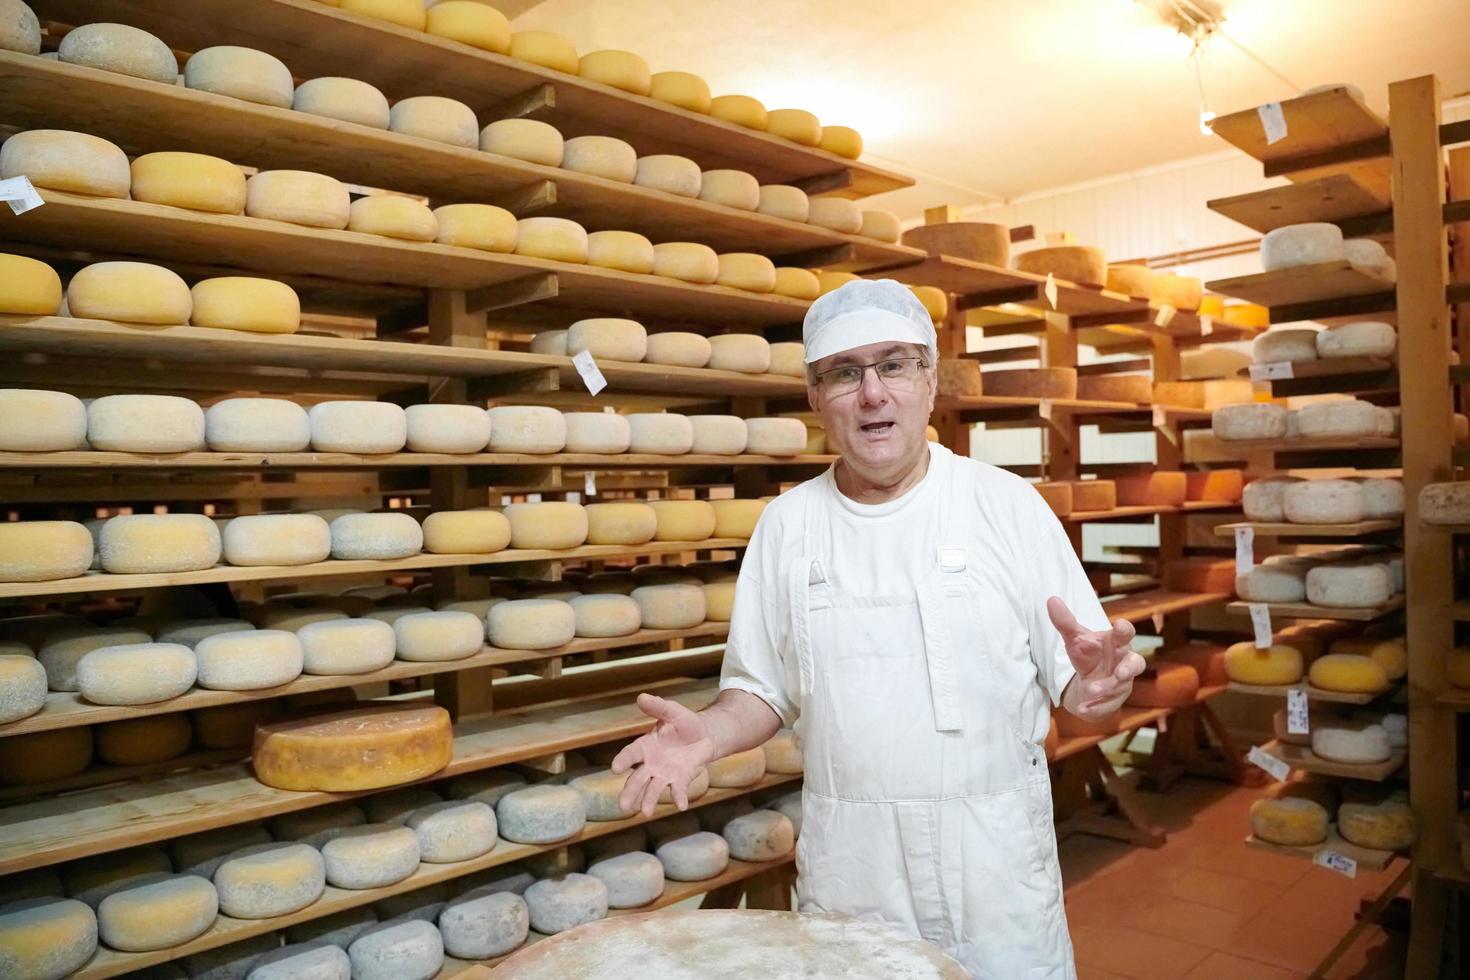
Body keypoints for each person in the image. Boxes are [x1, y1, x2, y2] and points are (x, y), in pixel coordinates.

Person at [612, 278, 1143, 978]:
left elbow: (1078, 677)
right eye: (844, 373)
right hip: (854, 866)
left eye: (893, 364)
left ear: (928, 381)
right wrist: (709, 733)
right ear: (815, 399)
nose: (872, 393)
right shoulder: (788, 526)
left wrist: (1096, 686)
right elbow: (763, 692)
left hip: (993, 861)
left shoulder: (1005, 506)